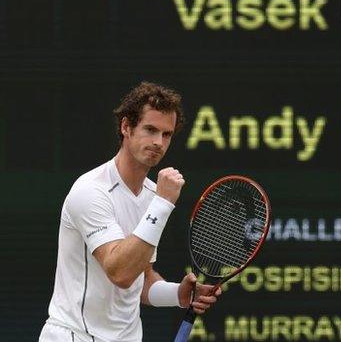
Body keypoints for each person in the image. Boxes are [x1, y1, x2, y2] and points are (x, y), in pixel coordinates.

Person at [39, 82, 221, 342]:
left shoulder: (153, 195)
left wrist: (178, 294)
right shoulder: (91, 191)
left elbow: (141, 277)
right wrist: (162, 204)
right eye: (150, 130)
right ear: (126, 127)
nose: (158, 142)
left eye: (166, 134)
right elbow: (121, 273)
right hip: (75, 336)